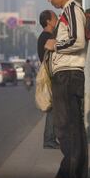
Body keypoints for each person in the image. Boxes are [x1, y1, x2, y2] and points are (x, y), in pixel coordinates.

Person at [43, 0, 88, 178]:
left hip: (68, 77)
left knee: (67, 128)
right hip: (67, 77)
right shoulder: (69, 11)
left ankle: (70, 177)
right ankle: (70, 174)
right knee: (70, 127)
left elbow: (77, 42)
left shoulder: (72, 10)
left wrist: (55, 45)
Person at [37, 10, 59, 149]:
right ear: (48, 21)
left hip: (51, 75)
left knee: (54, 108)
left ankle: (51, 138)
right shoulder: (47, 37)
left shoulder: (46, 36)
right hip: (52, 76)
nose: (56, 19)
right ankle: (49, 139)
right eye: (55, 18)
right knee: (53, 108)